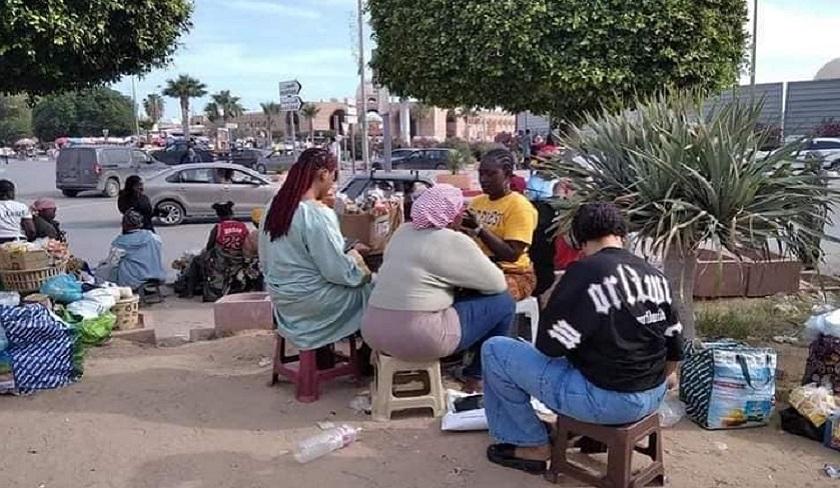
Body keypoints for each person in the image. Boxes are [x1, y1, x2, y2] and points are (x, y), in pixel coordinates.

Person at [481, 203, 684, 474]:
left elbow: (549, 347)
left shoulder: (585, 272)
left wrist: (556, 302)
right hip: (653, 395)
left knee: (495, 350)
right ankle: (586, 429)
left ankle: (532, 444)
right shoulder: (655, 275)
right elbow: (674, 347)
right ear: (621, 233)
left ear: (578, 238)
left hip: (606, 401)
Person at [362, 184, 515, 390]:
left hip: (373, 331)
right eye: (460, 211)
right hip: (421, 338)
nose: (462, 216)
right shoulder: (453, 239)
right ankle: (476, 376)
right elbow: (497, 283)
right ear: (451, 215)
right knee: (504, 302)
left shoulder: (402, 232)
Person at [259, 148, 371, 352]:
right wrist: (357, 261)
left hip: (283, 300)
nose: (332, 184)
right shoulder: (317, 214)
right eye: (333, 177)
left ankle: (325, 355)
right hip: (312, 303)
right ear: (323, 175)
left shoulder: (274, 207)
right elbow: (337, 272)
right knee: (373, 290)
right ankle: (366, 355)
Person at [461, 149, 538, 301]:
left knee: (483, 298)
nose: (484, 179)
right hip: (479, 269)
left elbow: (512, 255)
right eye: (481, 173)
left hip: (514, 274)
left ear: (508, 175)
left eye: (491, 174)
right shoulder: (477, 202)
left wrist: (479, 229)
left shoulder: (519, 206)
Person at [96, 210, 166, 289]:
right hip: (157, 275)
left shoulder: (120, 242)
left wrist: (101, 265)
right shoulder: (152, 236)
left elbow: (112, 263)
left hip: (133, 280)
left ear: (124, 225)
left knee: (103, 271)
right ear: (140, 223)